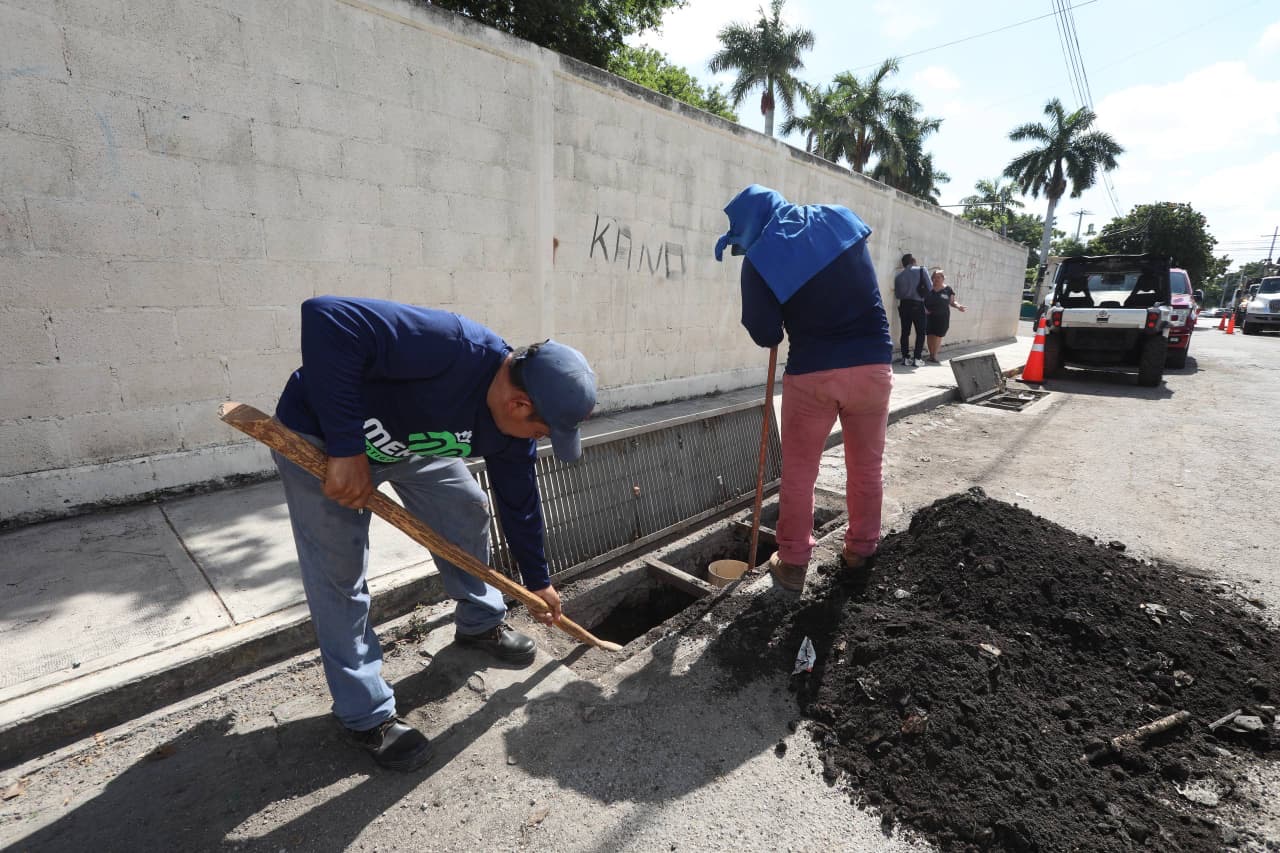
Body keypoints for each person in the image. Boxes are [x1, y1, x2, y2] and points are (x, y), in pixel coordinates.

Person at [273, 296, 596, 772]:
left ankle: (480, 622)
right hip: (324, 439)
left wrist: (537, 578)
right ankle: (367, 715)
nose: (540, 439)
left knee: (467, 506)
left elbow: (520, 500)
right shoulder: (449, 344)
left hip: (410, 445)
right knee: (338, 572)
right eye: (543, 430)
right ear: (519, 402)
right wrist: (346, 449)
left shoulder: (511, 428)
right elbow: (326, 317)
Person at [714, 185, 893, 593]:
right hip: (872, 367)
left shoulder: (759, 262)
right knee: (866, 468)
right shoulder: (838, 217)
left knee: (799, 473)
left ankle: (793, 561)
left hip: (813, 373)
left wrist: (778, 314)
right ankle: (861, 550)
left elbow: (764, 332)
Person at [921, 268, 967, 363]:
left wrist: (959, 306)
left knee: (938, 335)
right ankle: (931, 355)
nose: (936, 279)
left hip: (942, 316)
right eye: (934, 277)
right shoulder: (928, 288)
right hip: (929, 316)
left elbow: (952, 302)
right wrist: (924, 309)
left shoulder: (948, 289)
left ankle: (934, 355)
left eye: (938, 277)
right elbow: (921, 300)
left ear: (943, 278)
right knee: (929, 334)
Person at [893, 253, 931, 366]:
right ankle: (917, 358)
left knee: (905, 332)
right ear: (913, 261)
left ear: (903, 264)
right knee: (920, 332)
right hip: (917, 304)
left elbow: (898, 295)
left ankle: (905, 358)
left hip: (904, 305)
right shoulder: (921, 270)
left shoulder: (898, 276)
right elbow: (929, 287)